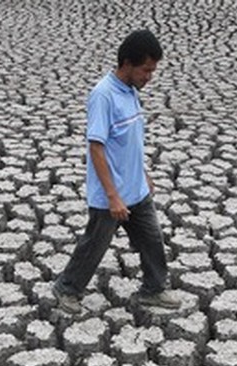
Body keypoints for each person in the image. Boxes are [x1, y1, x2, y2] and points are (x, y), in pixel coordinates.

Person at [53, 29, 180, 314]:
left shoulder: (131, 92)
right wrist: (112, 196)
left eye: (152, 71)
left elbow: (129, 141)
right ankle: (67, 288)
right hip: (111, 193)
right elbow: (96, 149)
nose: (149, 77)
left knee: (152, 240)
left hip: (136, 189)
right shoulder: (103, 95)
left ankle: (154, 289)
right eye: (146, 70)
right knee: (94, 246)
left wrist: (143, 173)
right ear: (127, 64)